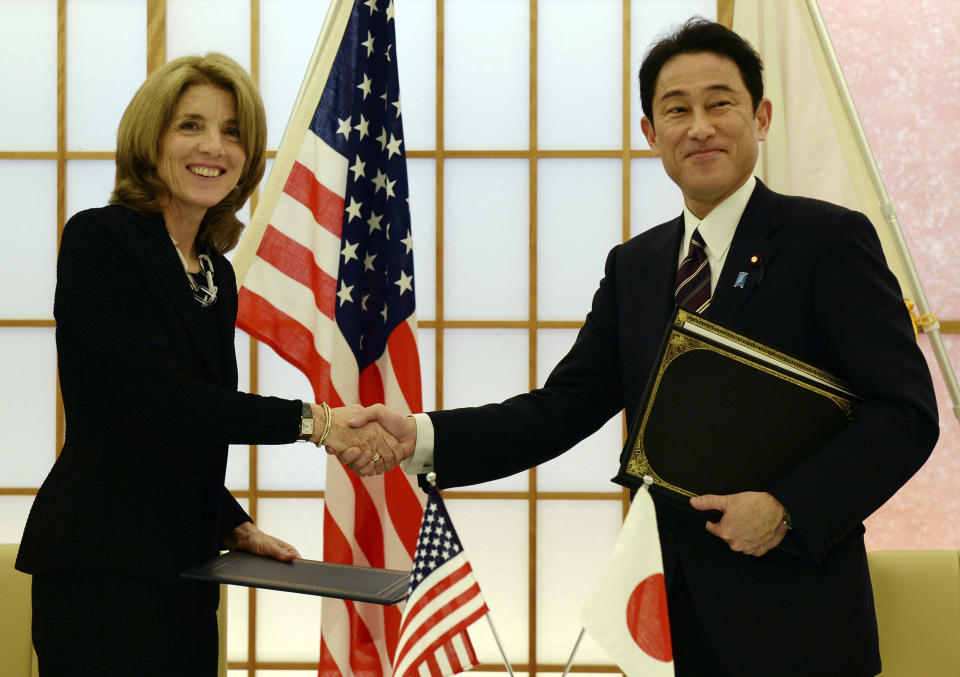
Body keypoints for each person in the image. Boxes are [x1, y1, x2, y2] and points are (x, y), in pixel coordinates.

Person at [338, 18, 939, 677]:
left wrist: (789, 510)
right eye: (676, 110)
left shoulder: (829, 241)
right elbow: (561, 407)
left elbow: (904, 414)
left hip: (798, 618)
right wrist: (420, 435)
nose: (700, 126)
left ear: (761, 116)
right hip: (666, 617)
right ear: (651, 133)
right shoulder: (638, 266)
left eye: (720, 102)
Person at [15, 53, 401, 676]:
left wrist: (232, 525)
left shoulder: (215, 272)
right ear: (151, 139)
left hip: (186, 572)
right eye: (190, 126)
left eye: (232, 132)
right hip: (102, 570)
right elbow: (161, 402)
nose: (213, 147)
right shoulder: (101, 240)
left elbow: (176, 437)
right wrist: (318, 423)